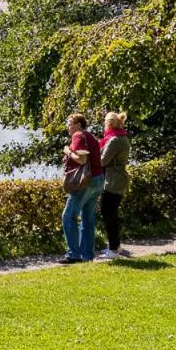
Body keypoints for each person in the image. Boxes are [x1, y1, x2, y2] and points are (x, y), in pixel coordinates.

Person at [58, 113, 104, 264]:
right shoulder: (91, 136)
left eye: (70, 123)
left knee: (68, 216)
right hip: (98, 179)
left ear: (78, 124)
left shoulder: (78, 135)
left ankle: (74, 255)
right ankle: (87, 255)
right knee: (88, 218)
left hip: (86, 182)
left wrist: (67, 151)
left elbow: (81, 159)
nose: (68, 126)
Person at [97, 112, 131, 261]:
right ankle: (115, 245)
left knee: (107, 212)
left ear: (109, 125)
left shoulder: (114, 140)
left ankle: (113, 249)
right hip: (119, 178)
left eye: (105, 124)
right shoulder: (122, 138)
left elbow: (103, 161)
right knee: (112, 213)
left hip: (113, 180)